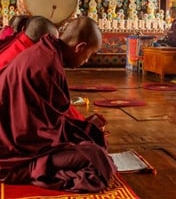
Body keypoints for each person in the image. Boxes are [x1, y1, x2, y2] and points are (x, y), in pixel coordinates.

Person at [0, 17, 116, 192]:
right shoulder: (47, 65)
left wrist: (82, 128)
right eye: (90, 54)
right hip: (13, 154)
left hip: (15, 139)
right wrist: (76, 134)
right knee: (96, 157)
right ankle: (30, 171)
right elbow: (38, 134)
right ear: (80, 47)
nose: (86, 60)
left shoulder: (44, 51)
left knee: (90, 135)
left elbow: (44, 119)